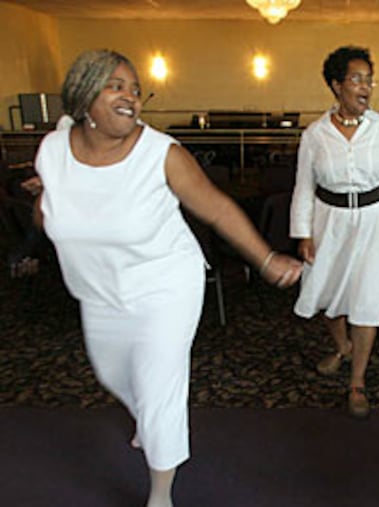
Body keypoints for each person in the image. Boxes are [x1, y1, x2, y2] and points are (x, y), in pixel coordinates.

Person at [34, 49, 302, 507]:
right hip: (99, 292)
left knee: (160, 387)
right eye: (116, 86)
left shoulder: (162, 154)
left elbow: (216, 207)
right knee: (112, 374)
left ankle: (161, 493)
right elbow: (48, 215)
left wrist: (265, 259)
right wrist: (48, 212)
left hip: (165, 285)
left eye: (136, 89)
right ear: (84, 94)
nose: (131, 97)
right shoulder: (53, 150)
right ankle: (151, 421)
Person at [290, 46, 379, 418]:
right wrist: (303, 233)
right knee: (327, 294)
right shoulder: (314, 134)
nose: (366, 87)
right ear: (336, 85)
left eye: (369, 79)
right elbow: (303, 187)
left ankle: (357, 380)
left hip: (375, 222)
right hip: (328, 221)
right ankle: (342, 346)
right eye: (357, 79)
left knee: (365, 300)